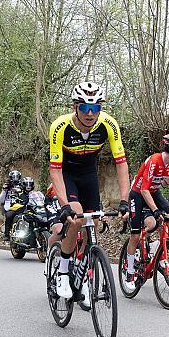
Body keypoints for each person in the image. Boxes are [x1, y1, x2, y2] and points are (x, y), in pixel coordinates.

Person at [49, 81, 130, 307]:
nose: (91, 114)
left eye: (96, 108)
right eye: (85, 108)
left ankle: (82, 276)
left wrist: (125, 200)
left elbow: (121, 164)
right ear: (75, 107)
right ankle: (63, 271)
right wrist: (64, 203)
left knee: (92, 223)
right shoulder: (60, 126)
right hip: (67, 174)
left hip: (89, 174)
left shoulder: (108, 125)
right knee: (75, 216)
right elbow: (55, 169)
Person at [123, 133, 169, 288]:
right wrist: (155, 210)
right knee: (140, 231)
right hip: (138, 193)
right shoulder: (155, 160)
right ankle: (129, 271)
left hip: (154, 192)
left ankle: (158, 245)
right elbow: (144, 189)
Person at [0, 171, 34, 241]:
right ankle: (6, 234)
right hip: (10, 207)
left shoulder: (23, 185)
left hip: (22, 206)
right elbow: (0, 201)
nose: (15, 179)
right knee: (9, 215)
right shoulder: (7, 187)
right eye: (13, 177)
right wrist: (4, 190)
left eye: (17, 177)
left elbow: (26, 194)